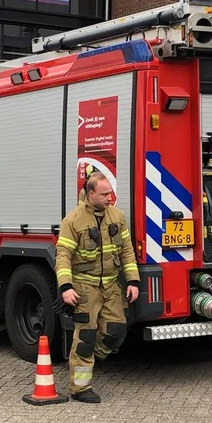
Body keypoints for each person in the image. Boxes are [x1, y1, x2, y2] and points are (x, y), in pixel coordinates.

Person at [54, 172, 139, 403]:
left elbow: (126, 251)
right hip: (85, 286)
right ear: (90, 193)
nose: (109, 198)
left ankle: (90, 355)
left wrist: (133, 280)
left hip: (111, 285)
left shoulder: (117, 216)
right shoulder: (73, 220)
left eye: (110, 193)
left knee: (116, 331)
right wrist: (66, 286)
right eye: (104, 194)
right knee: (85, 337)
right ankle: (80, 388)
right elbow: (63, 256)